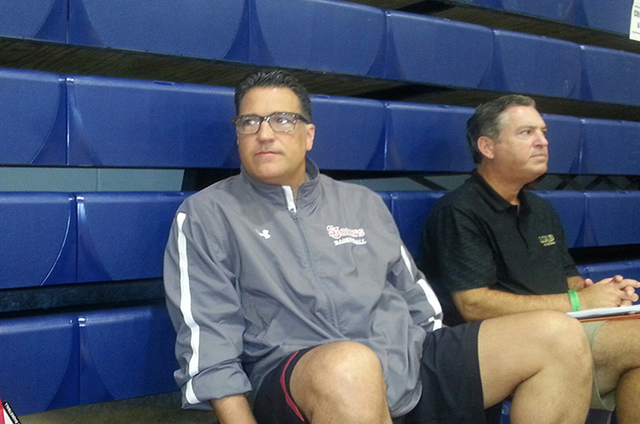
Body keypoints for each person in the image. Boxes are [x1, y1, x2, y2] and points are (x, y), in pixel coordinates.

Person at [164, 71, 594, 424]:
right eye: (249, 122)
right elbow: (209, 342)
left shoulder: (361, 204)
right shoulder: (207, 214)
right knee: (350, 366)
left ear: (309, 135)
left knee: (558, 335)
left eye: (282, 120)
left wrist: (442, 368)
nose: (264, 134)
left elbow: (419, 303)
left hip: (402, 361)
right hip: (299, 377)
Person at [421, 94, 640, 423]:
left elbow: (567, 278)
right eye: (526, 133)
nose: (543, 142)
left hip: (567, 328)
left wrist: (602, 292)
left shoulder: (541, 209)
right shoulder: (459, 211)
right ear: (487, 147)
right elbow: (473, 304)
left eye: (543, 132)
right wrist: (578, 302)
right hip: (498, 347)